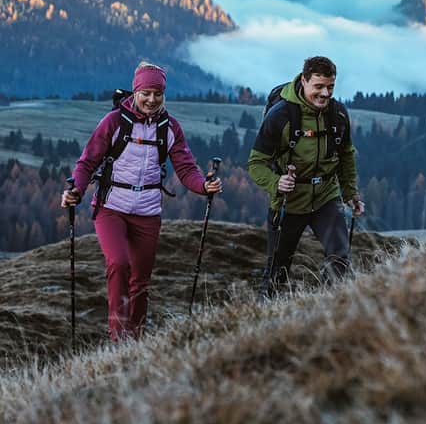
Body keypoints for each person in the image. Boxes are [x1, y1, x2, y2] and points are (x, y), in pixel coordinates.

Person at [61, 62, 222, 341]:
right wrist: (76, 189)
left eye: (157, 94)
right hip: (111, 208)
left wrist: (203, 186)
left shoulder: (169, 127)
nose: (151, 99)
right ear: (135, 92)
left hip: (148, 211)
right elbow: (87, 162)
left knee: (141, 280)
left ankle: (135, 338)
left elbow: (186, 168)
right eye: (146, 93)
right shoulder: (114, 122)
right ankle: (118, 336)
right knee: (118, 263)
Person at [248, 56, 364, 296]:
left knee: (339, 258)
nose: (325, 94)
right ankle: (267, 312)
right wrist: (276, 182)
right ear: (304, 81)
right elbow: (256, 164)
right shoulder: (280, 116)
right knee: (277, 272)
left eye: (330, 87)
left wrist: (350, 193)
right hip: (288, 202)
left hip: (326, 197)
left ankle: (330, 308)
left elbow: (346, 155)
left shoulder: (338, 114)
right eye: (318, 87)